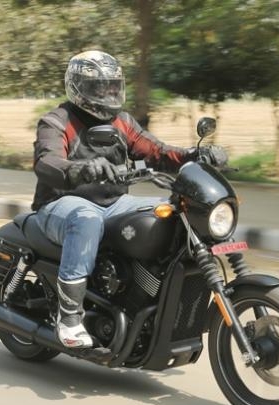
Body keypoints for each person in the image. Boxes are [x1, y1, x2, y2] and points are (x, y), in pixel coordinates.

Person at [32, 50, 227, 348]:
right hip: (61, 203)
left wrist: (195, 153)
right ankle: (69, 319)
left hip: (113, 203)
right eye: (100, 86)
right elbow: (48, 163)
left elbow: (157, 151)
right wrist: (80, 169)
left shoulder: (121, 122)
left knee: (174, 212)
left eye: (112, 85)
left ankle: (147, 298)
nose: (108, 92)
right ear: (78, 87)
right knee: (87, 218)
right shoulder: (57, 121)